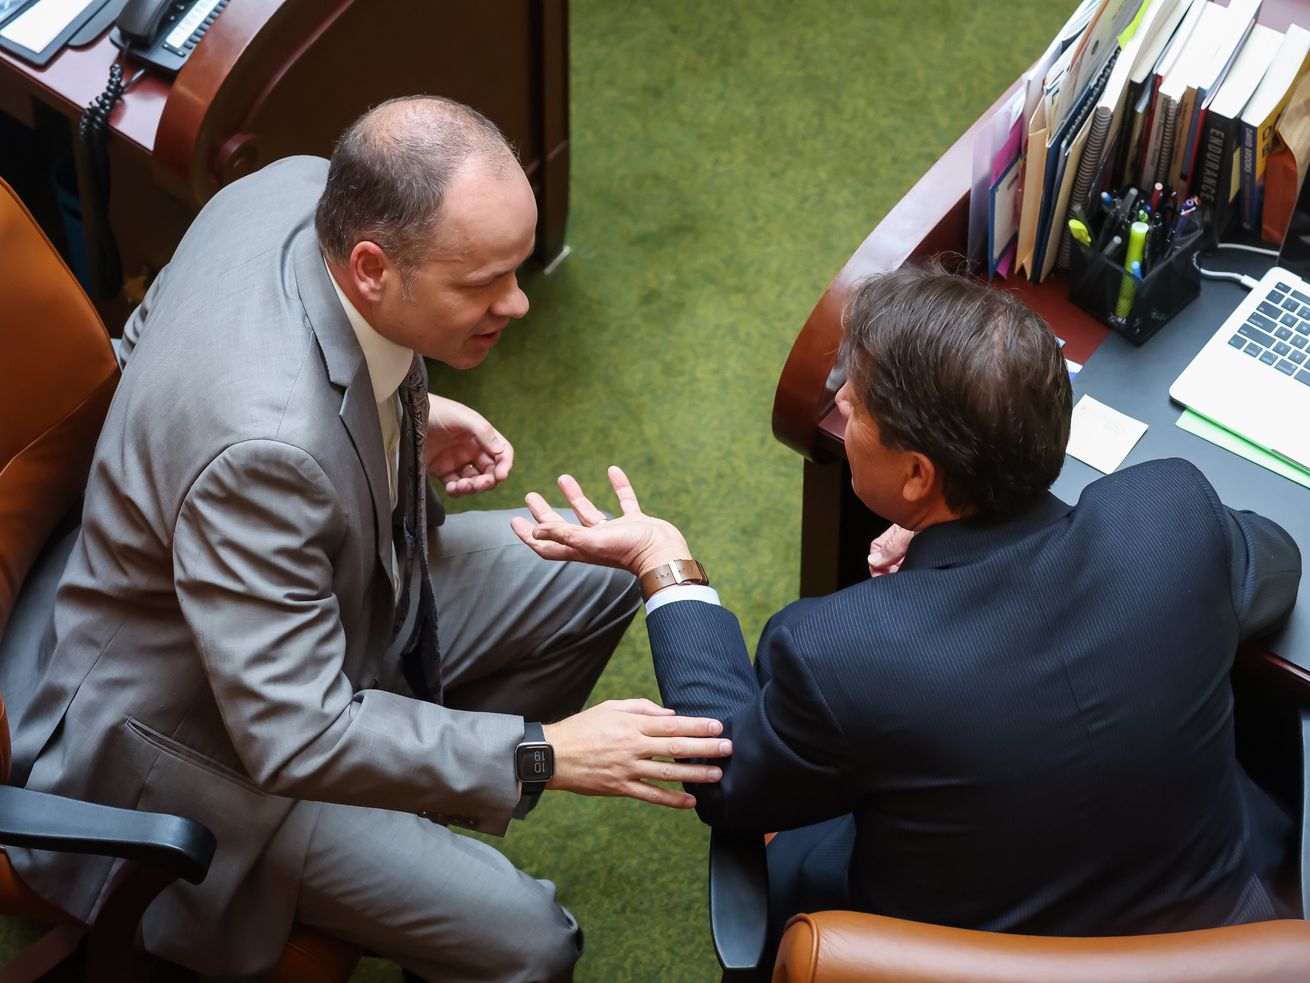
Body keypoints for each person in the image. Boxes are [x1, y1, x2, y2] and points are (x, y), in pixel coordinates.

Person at [8, 96, 732, 982]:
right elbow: (291, 732)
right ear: (370, 269)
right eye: (481, 284)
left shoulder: (296, 187)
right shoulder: (265, 452)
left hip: (316, 618)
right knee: (533, 942)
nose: (518, 303)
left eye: (516, 269)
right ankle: (425, 839)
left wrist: (405, 411)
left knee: (601, 574)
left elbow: (148, 334)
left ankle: (422, 815)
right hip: (212, 745)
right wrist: (542, 750)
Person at [511, 262, 1303, 946]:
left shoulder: (838, 650)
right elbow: (1276, 562)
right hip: (1216, 937)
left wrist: (664, 559)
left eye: (854, 405)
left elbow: (727, 782)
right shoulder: (1171, 516)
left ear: (920, 477)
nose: (842, 409)